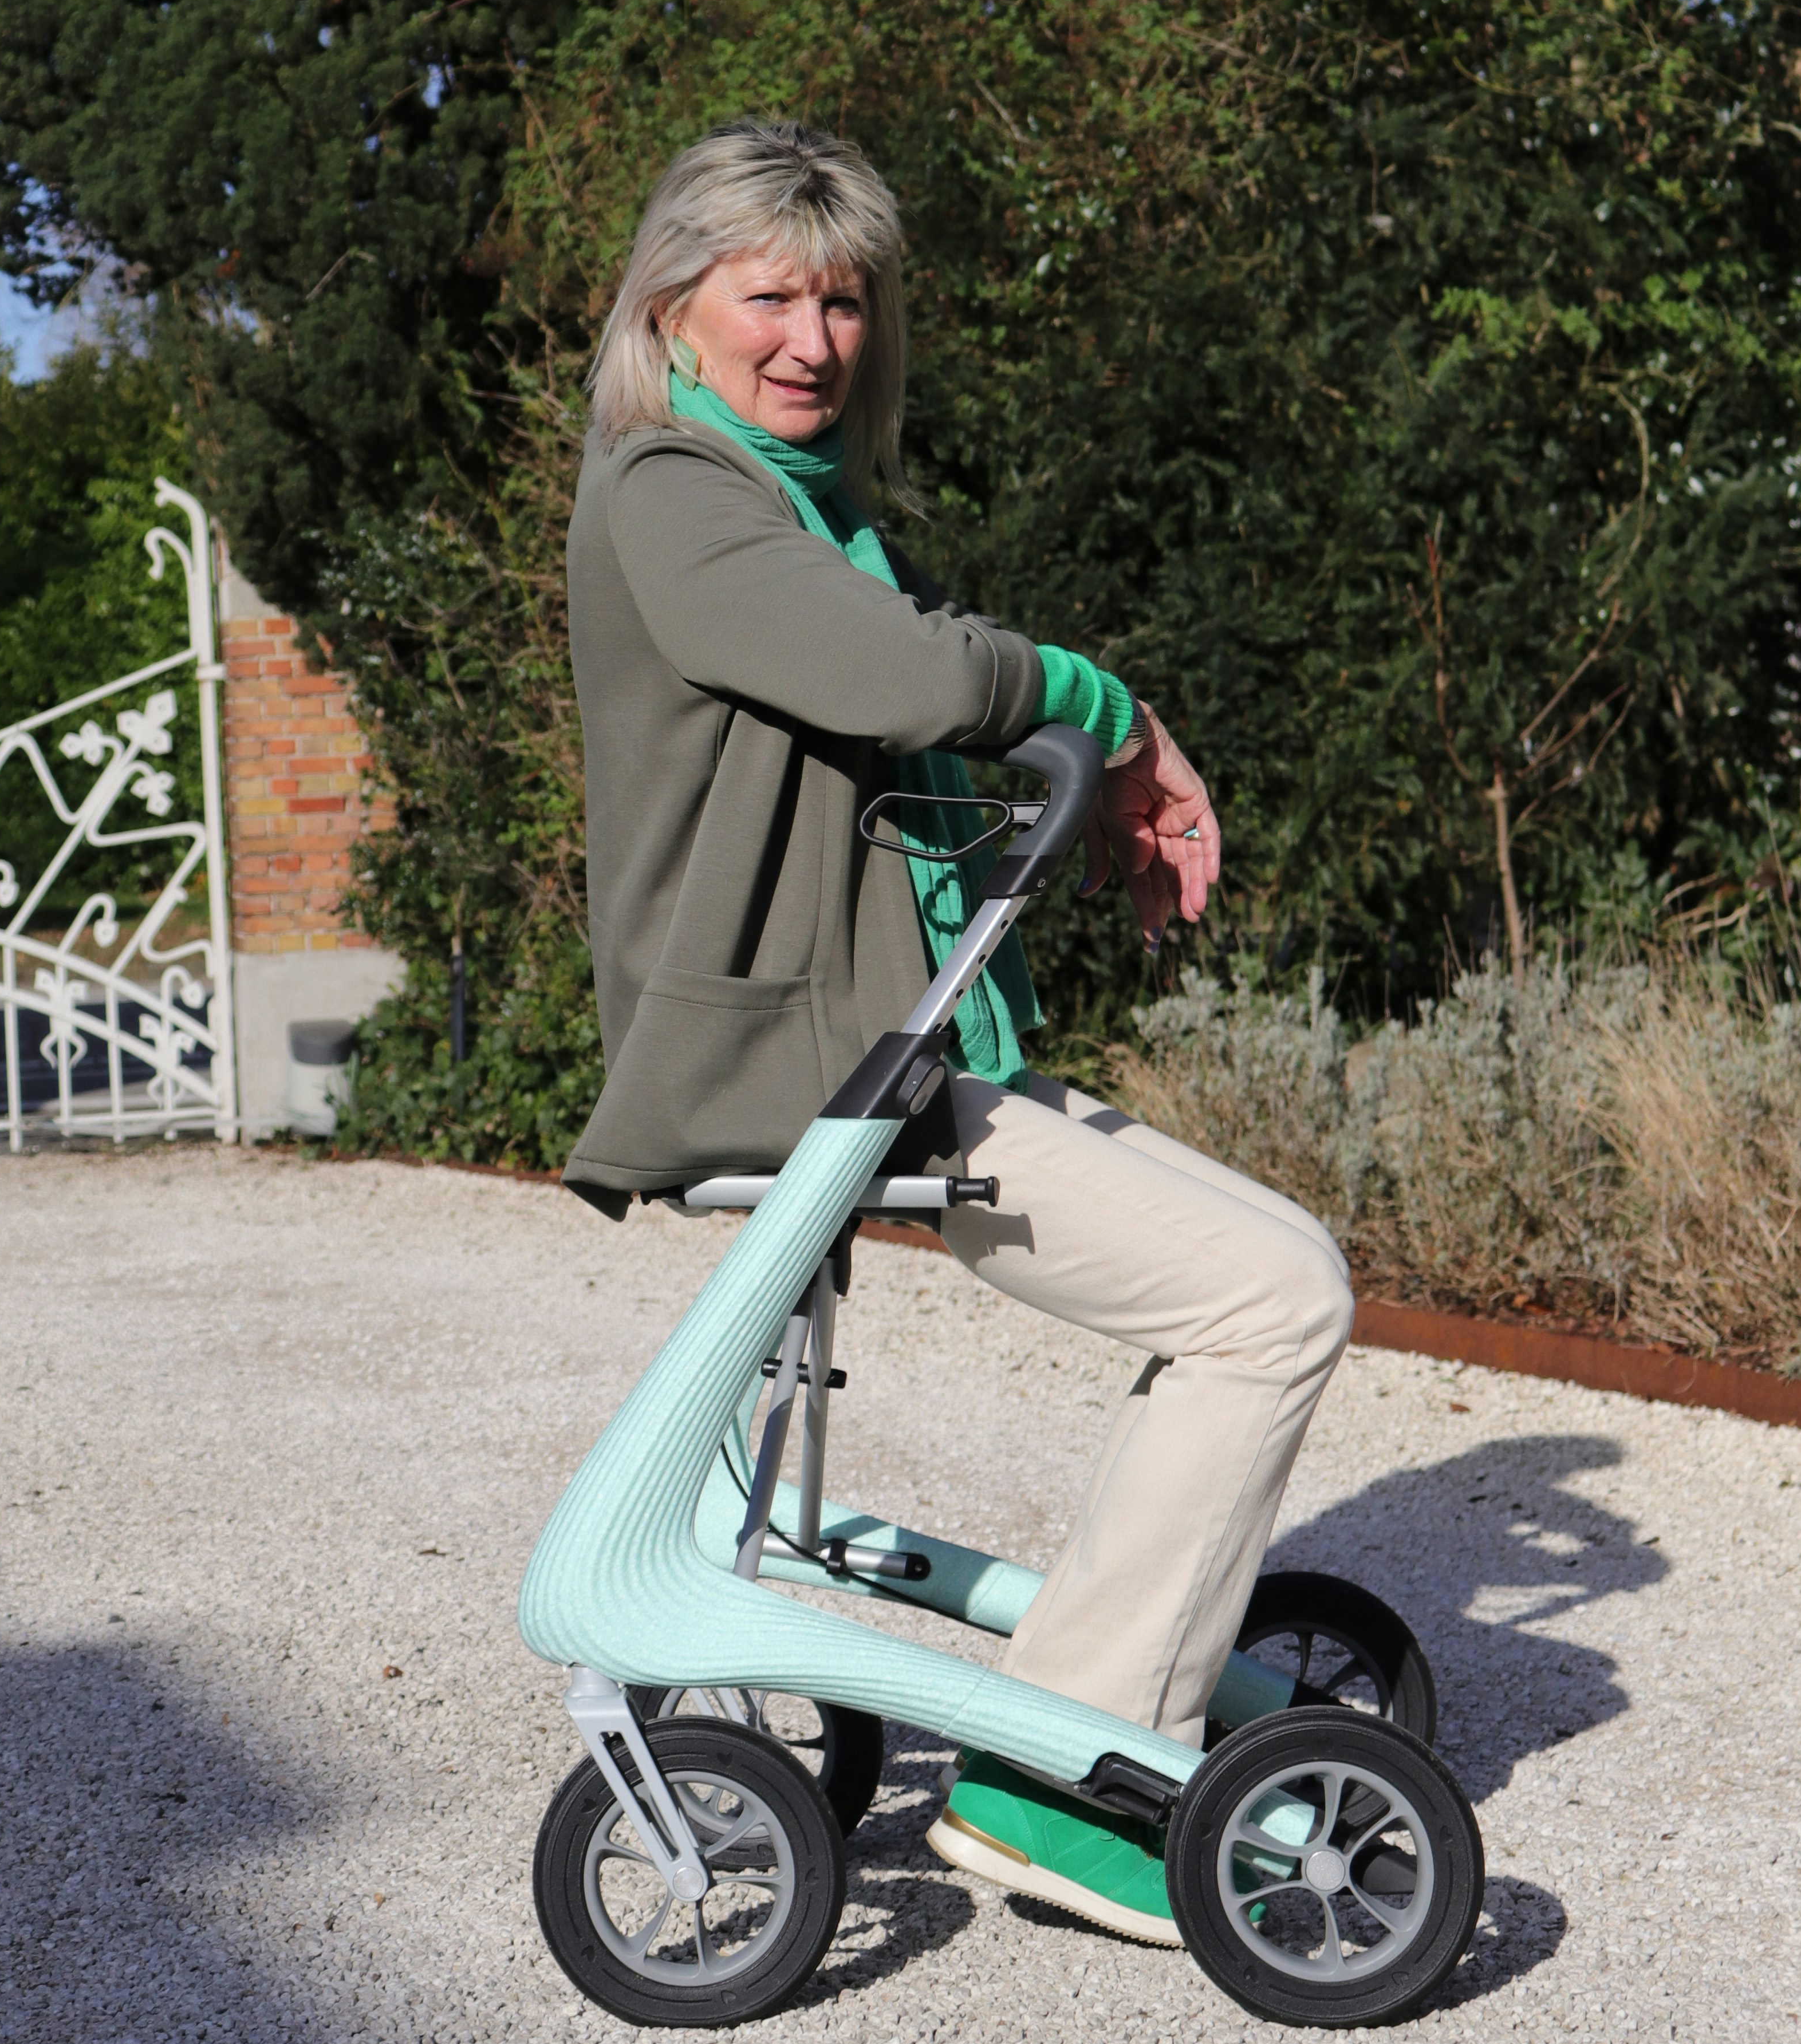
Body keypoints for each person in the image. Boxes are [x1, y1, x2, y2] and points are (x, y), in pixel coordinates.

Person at [565, 119, 1352, 1945]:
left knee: (1263, 1272)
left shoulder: (788, 505)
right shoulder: (675, 491)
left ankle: (1107, 1681)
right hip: (814, 1084)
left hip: (886, 1067)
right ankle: (1064, 1779)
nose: (813, 338)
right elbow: (913, 678)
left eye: (845, 300)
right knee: (1276, 1297)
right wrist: (1112, 709)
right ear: (676, 308)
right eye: (770, 293)